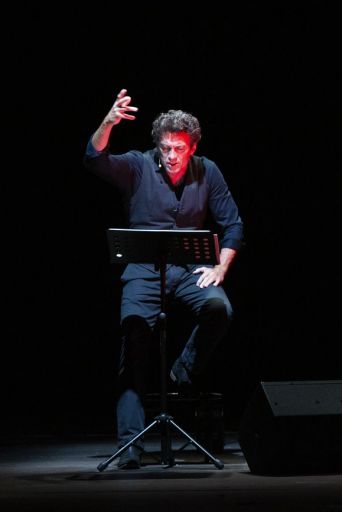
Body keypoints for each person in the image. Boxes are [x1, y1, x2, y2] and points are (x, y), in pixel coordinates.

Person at [84, 89, 243, 469]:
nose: (172, 156)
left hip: (188, 269)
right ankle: (130, 448)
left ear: (193, 147)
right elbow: (94, 159)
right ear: (158, 145)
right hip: (142, 269)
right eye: (166, 148)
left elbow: (233, 225)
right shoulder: (139, 165)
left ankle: (181, 373)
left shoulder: (209, 171)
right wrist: (108, 121)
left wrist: (220, 267)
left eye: (180, 149)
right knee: (135, 335)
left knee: (219, 307)